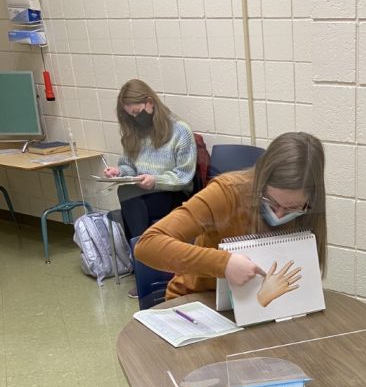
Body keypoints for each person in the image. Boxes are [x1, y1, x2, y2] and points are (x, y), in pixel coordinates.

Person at [134, 131, 327, 300]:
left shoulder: (309, 209)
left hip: (253, 306)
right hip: (197, 302)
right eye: (272, 202)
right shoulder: (227, 192)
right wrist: (223, 264)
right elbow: (148, 245)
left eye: (292, 208)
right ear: (261, 181)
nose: (279, 214)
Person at [104, 79, 197, 242]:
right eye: (130, 115)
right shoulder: (135, 133)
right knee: (127, 193)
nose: (135, 118)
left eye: (136, 111)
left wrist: (155, 181)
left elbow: (184, 176)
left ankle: (140, 251)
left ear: (150, 102)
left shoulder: (181, 131)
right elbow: (129, 167)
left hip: (173, 191)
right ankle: (143, 251)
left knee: (132, 202)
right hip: (143, 192)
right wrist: (120, 172)